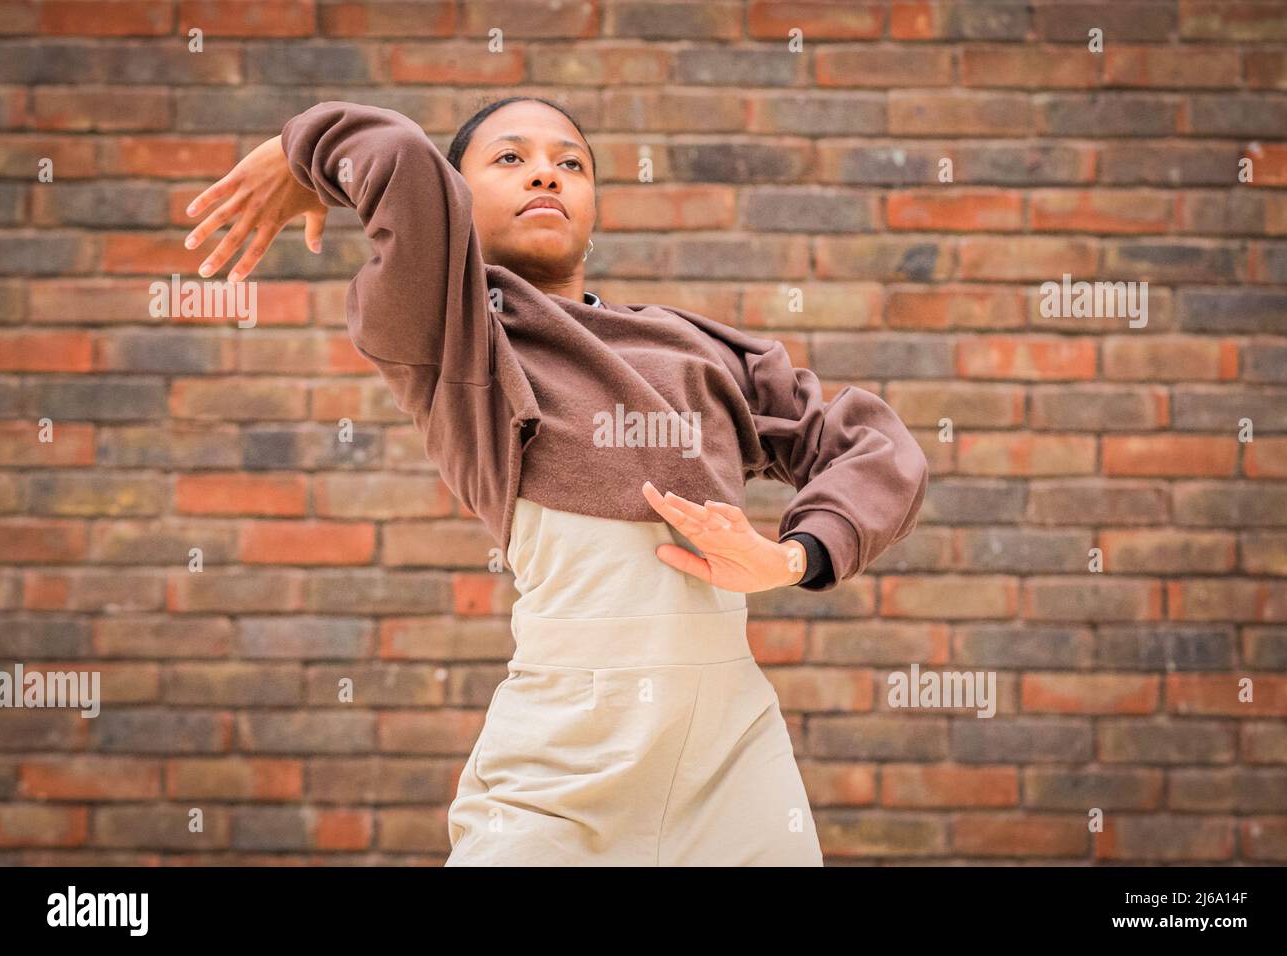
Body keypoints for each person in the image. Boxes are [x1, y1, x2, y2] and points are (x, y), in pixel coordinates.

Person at [185, 96, 929, 866]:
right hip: (559, 768)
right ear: (456, 201)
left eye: (570, 163)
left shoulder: (698, 349)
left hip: (734, 761)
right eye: (509, 159)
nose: (546, 173)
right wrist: (300, 149)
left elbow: (874, 445)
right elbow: (400, 156)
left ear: (595, 210)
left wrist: (794, 556)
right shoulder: (456, 332)